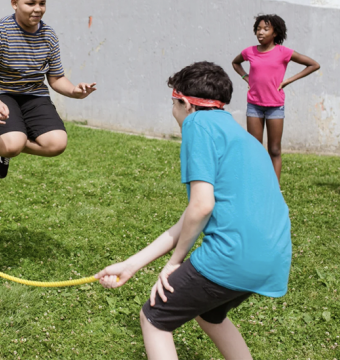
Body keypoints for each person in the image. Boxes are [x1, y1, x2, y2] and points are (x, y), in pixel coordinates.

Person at [95, 62, 292, 360]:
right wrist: (131, 265)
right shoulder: (243, 138)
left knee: (154, 319)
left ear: (185, 103)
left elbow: (201, 206)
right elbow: (190, 218)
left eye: (173, 104)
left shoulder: (197, 125)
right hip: (273, 256)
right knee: (210, 314)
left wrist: (175, 263)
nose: (173, 112)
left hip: (231, 256)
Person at [0, 0, 97, 179]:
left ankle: (7, 140)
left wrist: (74, 91)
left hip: (33, 95)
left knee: (56, 144)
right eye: (30, 3)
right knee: (11, 145)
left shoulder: (49, 35)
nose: (38, 9)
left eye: (42, 3)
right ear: (14, 3)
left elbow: (55, 78)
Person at [232, 14, 319, 182]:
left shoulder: (283, 52)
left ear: (275, 33)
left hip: (275, 107)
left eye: (266, 29)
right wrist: (246, 77)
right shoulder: (249, 51)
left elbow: (314, 65)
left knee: (274, 150)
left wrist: (288, 80)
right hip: (254, 106)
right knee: (254, 149)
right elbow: (235, 63)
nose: (261, 32)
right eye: (258, 29)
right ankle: (255, 184)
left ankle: (274, 189)